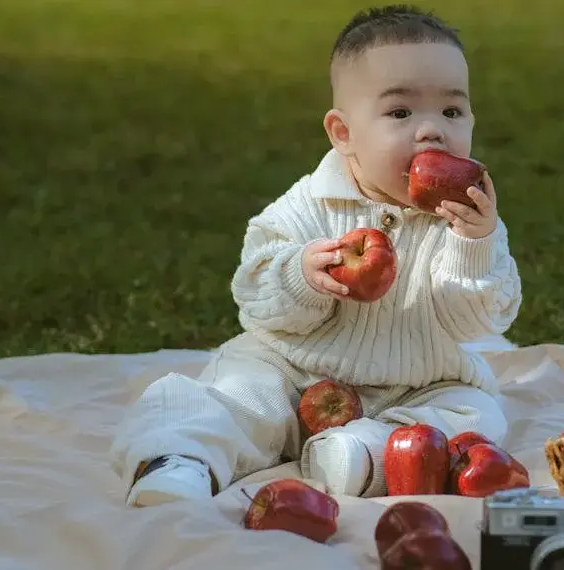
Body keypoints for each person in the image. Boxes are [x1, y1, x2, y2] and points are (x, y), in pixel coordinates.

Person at [109, 4, 523, 507]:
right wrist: (301, 275)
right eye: (400, 112)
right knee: (232, 394)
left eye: (452, 112)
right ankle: (177, 462)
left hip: (419, 381)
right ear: (343, 133)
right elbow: (255, 293)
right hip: (295, 370)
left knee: (476, 413)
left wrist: (473, 245)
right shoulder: (310, 204)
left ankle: (360, 455)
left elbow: (478, 324)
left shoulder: (466, 221)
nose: (432, 130)